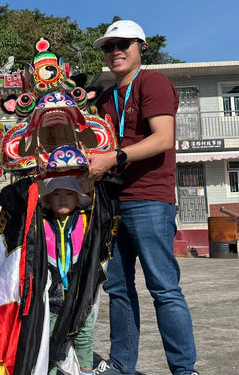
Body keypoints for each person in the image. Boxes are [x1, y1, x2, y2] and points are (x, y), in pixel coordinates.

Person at [87, 20, 199, 375]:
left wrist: (115, 158)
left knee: (163, 287)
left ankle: (184, 370)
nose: (115, 51)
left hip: (149, 198)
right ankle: (122, 366)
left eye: (124, 44)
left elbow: (163, 138)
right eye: (109, 46)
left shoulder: (153, 82)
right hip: (111, 201)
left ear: (142, 47)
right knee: (118, 289)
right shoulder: (105, 98)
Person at [41, 176, 97, 375]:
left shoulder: (87, 220)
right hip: (52, 297)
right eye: (56, 194)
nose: (63, 198)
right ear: (48, 199)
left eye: (69, 194)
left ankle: (86, 371)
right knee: (48, 339)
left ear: (77, 198)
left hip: (80, 294)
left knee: (84, 336)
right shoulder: (40, 222)